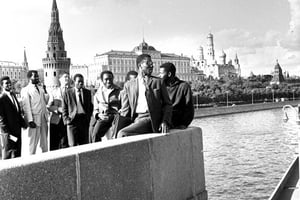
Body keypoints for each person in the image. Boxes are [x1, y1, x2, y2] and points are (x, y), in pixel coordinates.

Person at [118, 54, 172, 137]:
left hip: (150, 118)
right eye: (148, 63)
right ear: (140, 65)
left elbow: (167, 104)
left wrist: (165, 121)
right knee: (116, 133)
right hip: (136, 119)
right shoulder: (129, 85)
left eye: (152, 63)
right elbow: (125, 109)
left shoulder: (158, 82)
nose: (151, 65)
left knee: (123, 134)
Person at [21, 70, 49, 155]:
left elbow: (46, 102)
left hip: (43, 117)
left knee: (44, 142)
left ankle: (45, 159)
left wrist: (45, 91)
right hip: (34, 118)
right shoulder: (26, 89)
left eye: (37, 76)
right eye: (35, 76)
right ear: (30, 78)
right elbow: (26, 107)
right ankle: (31, 160)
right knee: (33, 142)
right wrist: (30, 120)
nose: (37, 78)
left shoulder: (40, 88)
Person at [159, 62, 194, 129]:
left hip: (176, 122)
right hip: (163, 120)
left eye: (161, 73)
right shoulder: (160, 86)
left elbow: (189, 108)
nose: (159, 75)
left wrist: (184, 124)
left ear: (169, 74)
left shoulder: (184, 86)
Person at [62, 74, 93, 146]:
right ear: (74, 82)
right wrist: (66, 120)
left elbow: (90, 106)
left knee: (84, 144)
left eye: (82, 81)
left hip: (84, 121)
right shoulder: (68, 93)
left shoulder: (87, 92)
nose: (81, 83)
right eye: (79, 81)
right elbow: (64, 107)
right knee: (72, 144)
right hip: (72, 121)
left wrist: (88, 117)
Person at [0, 76, 27, 159]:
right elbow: (1, 119)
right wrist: (7, 133)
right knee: (8, 153)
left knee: (17, 152)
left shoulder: (13, 95)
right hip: (9, 133)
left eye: (9, 83)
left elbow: (17, 112)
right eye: (6, 83)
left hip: (17, 130)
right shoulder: (1, 99)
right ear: (2, 85)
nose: (9, 85)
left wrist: (23, 124)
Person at [91, 71, 121, 142]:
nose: (108, 81)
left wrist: (119, 111)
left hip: (115, 116)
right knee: (95, 134)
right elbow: (95, 109)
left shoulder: (119, 90)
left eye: (110, 79)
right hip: (104, 117)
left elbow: (123, 104)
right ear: (102, 80)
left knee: (115, 136)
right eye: (106, 79)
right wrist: (98, 115)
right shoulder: (98, 93)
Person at [47, 72, 70, 150]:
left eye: (68, 77)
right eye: (65, 77)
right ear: (60, 79)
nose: (67, 78)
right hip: (56, 120)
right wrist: (57, 109)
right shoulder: (54, 92)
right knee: (54, 143)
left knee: (65, 143)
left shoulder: (72, 91)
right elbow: (48, 107)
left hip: (67, 120)